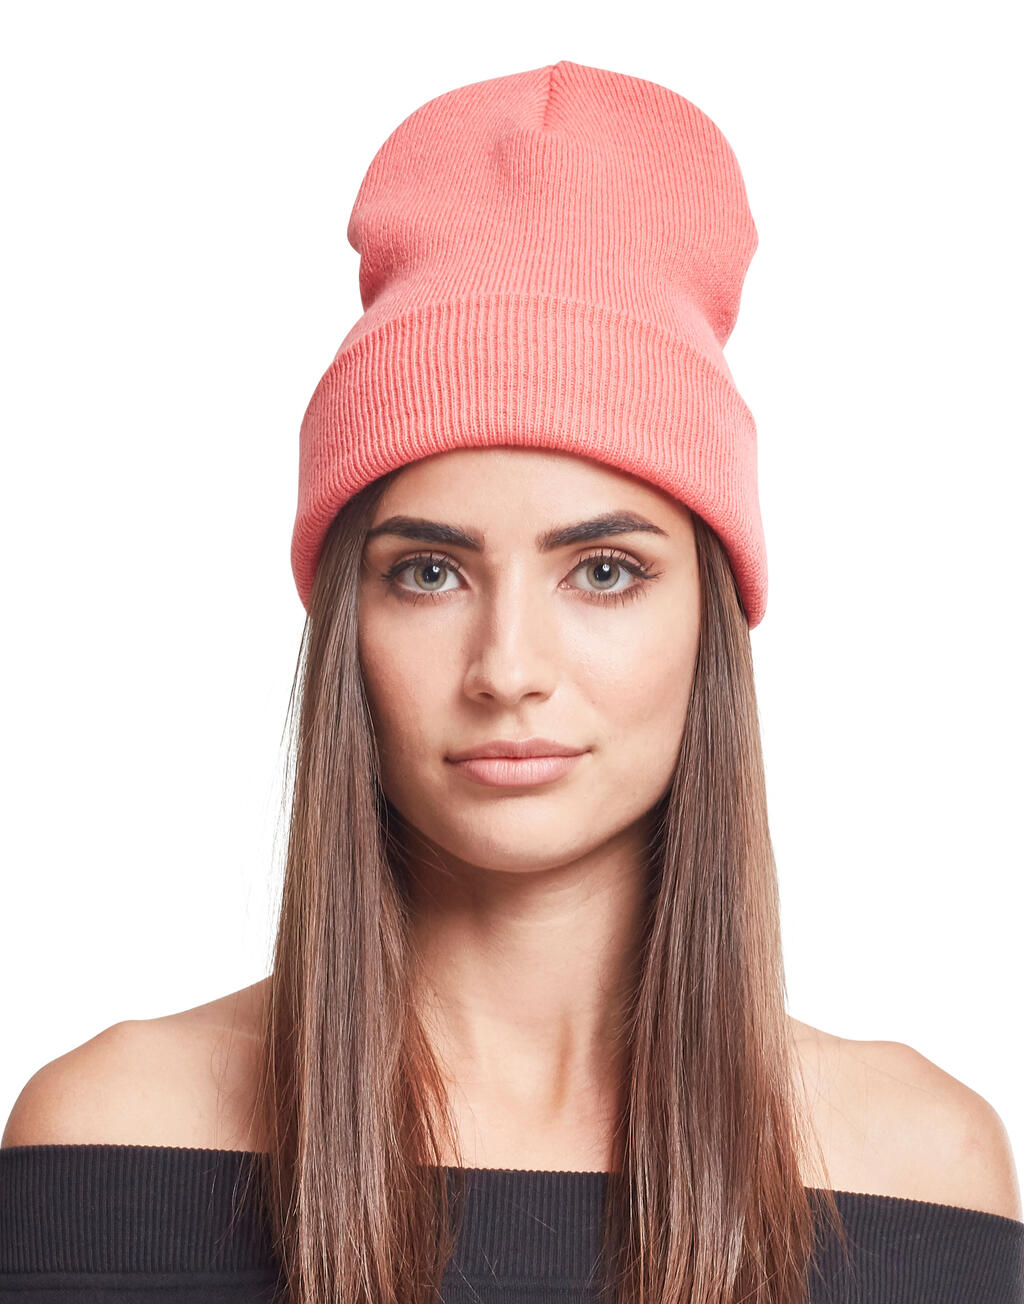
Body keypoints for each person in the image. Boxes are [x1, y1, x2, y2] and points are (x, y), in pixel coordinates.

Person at [1, 59, 1021, 1304]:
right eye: (429, 571)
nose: (509, 669)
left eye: (603, 570)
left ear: (710, 620)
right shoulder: (113, 1135)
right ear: (347, 621)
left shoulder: (918, 1170)